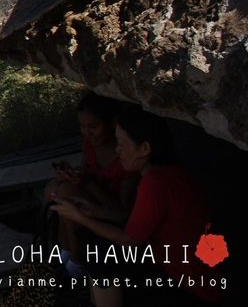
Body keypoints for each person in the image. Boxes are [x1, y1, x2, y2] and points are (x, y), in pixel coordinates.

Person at [52, 106, 221, 306]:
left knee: (101, 254)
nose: (117, 150)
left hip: (188, 286)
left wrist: (81, 218)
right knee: (101, 248)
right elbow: (135, 221)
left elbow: (130, 240)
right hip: (190, 274)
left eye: (122, 145)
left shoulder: (155, 183)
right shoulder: (168, 173)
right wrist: (94, 211)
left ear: (144, 149)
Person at [45, 92, 138, 270]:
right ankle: (62, 252)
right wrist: (69, 174)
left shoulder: (125, 158)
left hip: (110, 210)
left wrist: (85, 184)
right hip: (92, 196)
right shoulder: (90, 144)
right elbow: (85, 172)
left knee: (65, 194)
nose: (87, 133)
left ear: (111, 124)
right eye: (82, 126)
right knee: (53, 188)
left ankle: (76, 260)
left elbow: (123, 213)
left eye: (93, 127)